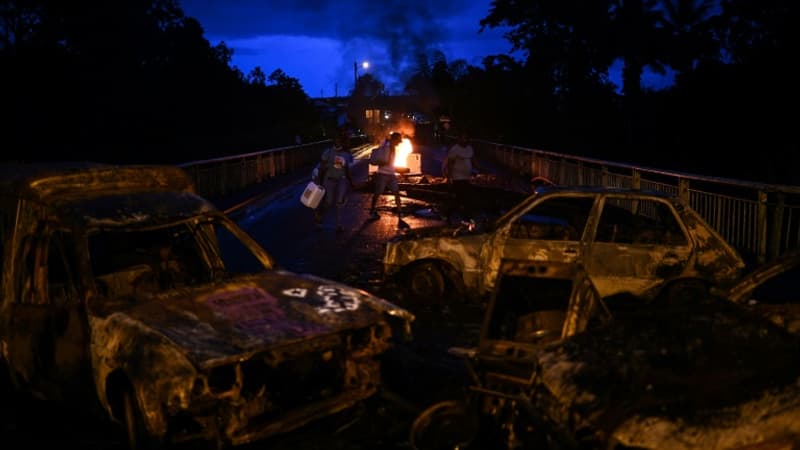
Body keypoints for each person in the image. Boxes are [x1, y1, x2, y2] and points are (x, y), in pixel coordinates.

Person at [369, 132, 409, 229]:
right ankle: (372, 210)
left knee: (396, 192)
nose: (399, 142)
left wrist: (398, 171)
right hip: (383, 174)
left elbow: (390, 163)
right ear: (394, 139)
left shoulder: (391, 147)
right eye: (398, 140)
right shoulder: (386, 146)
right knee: (378, 193)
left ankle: (400, 213)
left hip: (391, 175)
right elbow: (385, 160)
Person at [315, 137, 355, 232]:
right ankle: (320, 215)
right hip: (329, 180)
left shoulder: (346, 154)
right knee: (328, 202)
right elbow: (321, 168)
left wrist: (351, 182)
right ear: (334, 141)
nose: (338, 142)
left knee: (339, 203)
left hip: (341, 180)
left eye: (340, 140)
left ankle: (338, 225)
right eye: (336, 140)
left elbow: (347, 169)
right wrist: (319, 182)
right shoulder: (328, 153)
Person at [443, 133, 478, 220]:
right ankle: (448, 214)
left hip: (466, 177)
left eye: (466, 139)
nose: (465, 140)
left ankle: (464, 214)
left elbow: (473, 159)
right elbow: (450, 164)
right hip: (457, 177)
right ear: (459, 139)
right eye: (463, 139)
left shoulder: (469, 148)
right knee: (458, 196)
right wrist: (449, 178)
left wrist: (479, 168)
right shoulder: (455, 149)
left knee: (465, 196)